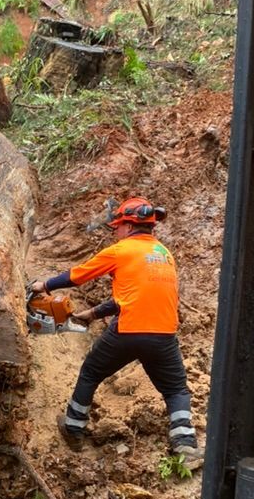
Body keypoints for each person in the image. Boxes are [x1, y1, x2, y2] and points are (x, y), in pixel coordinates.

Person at [31, 196, 202, 465]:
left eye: (118, 226)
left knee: (91, 371)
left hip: (129, 329)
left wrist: (46, 285)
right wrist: (94, 313)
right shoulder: (163, 255)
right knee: (176, 390)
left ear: (128, 225)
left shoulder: (121, 250)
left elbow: (79, 275)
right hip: (163, 334)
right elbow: (138, 295)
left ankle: (74, 427)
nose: (116, 232)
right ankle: (186, 447)